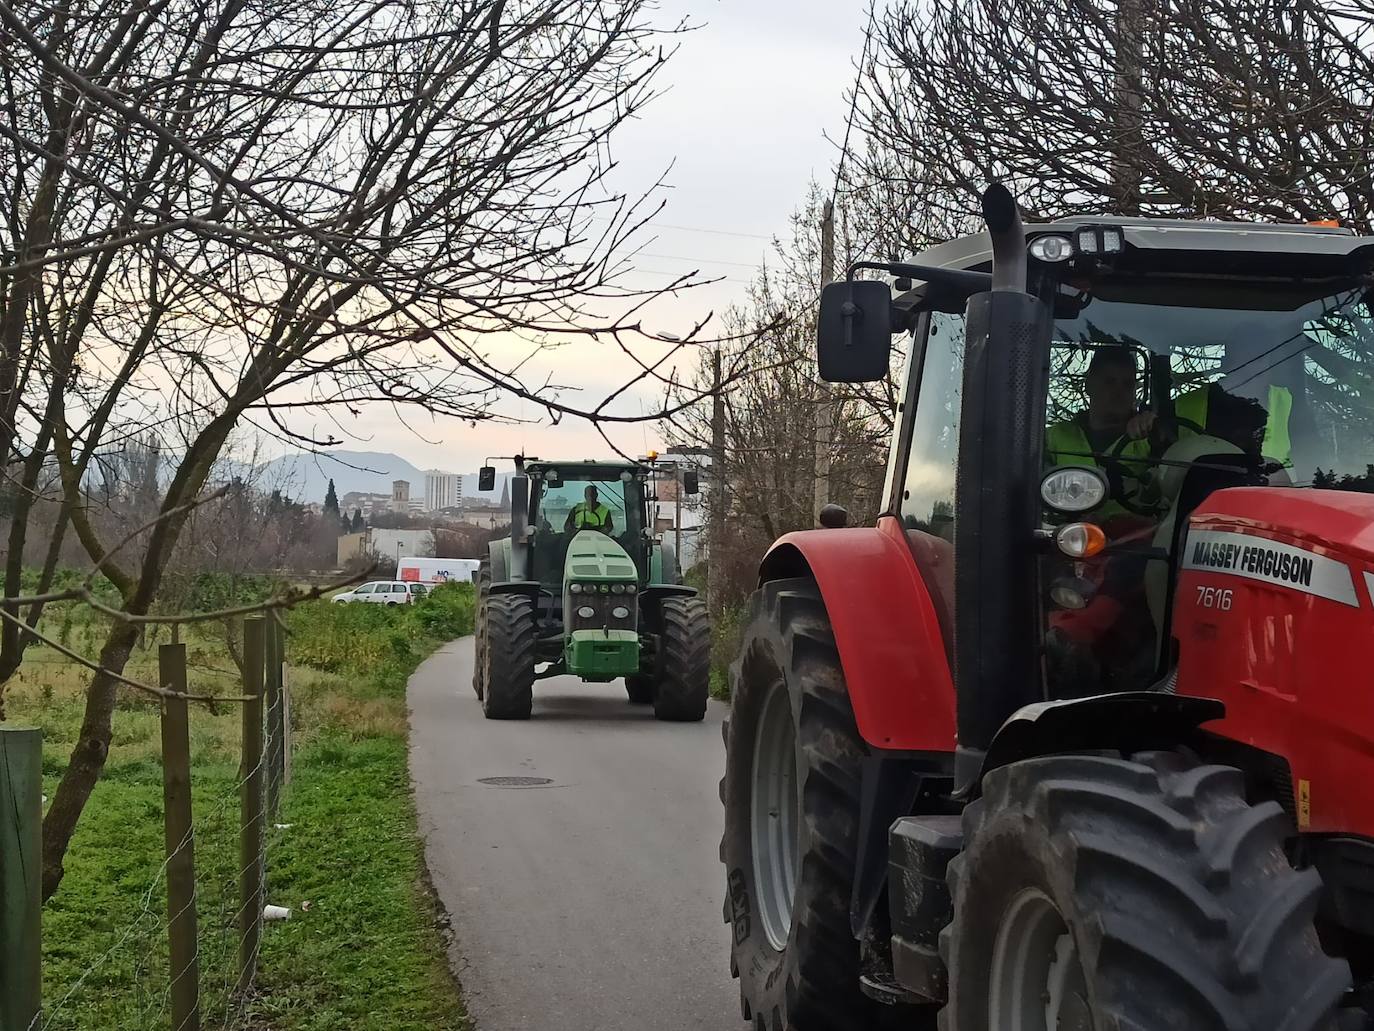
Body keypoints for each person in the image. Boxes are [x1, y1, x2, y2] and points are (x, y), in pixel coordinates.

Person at [1046, 346, 1156, 521]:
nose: (1119, 392)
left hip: (1136, 543)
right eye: (1110, 382)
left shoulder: (1150, 437)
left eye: (1127, 384)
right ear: (1088, 385)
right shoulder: (1054, 437)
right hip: (1066, 538)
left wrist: (1156, 427)